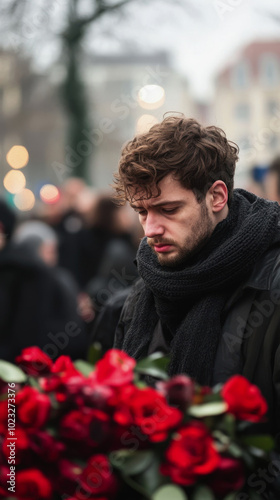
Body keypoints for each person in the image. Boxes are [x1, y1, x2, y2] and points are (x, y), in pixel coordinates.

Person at [113, 115, 280, 437]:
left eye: (169, 209)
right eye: (142, 212)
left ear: (217, 197)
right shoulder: (142, 290)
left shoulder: (271, 285)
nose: (150, 230)